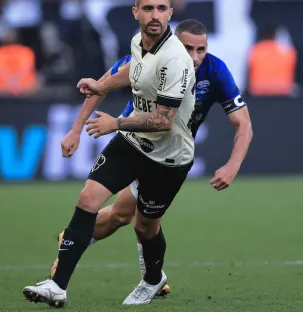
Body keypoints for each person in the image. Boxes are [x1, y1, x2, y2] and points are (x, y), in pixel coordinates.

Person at [23, 0, 197, 307]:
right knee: (89, 197)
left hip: (168, 157)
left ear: (171, 12)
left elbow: (163, 121)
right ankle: (57, 286)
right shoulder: (139, 42)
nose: (155, 15)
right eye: (148, 8)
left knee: (145, 228)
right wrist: (100, 84)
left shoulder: (176, 60)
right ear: (136, 12)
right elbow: (132, 71)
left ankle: (153, 278)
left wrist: (113, 123)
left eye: (162, 8)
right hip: (132, 142)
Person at [49, 18, 254, 297]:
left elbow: (244, 123)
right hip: (133, 140)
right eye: (187, 48)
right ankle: (142, 273)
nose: (194, 57)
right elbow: (100, 87)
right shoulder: (147, 59)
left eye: (201, 50)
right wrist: (75, 130)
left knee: (124, 216)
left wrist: (233, 165)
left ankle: (77, 240)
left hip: (167, 153)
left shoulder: (215, 71)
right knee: (104, 206)